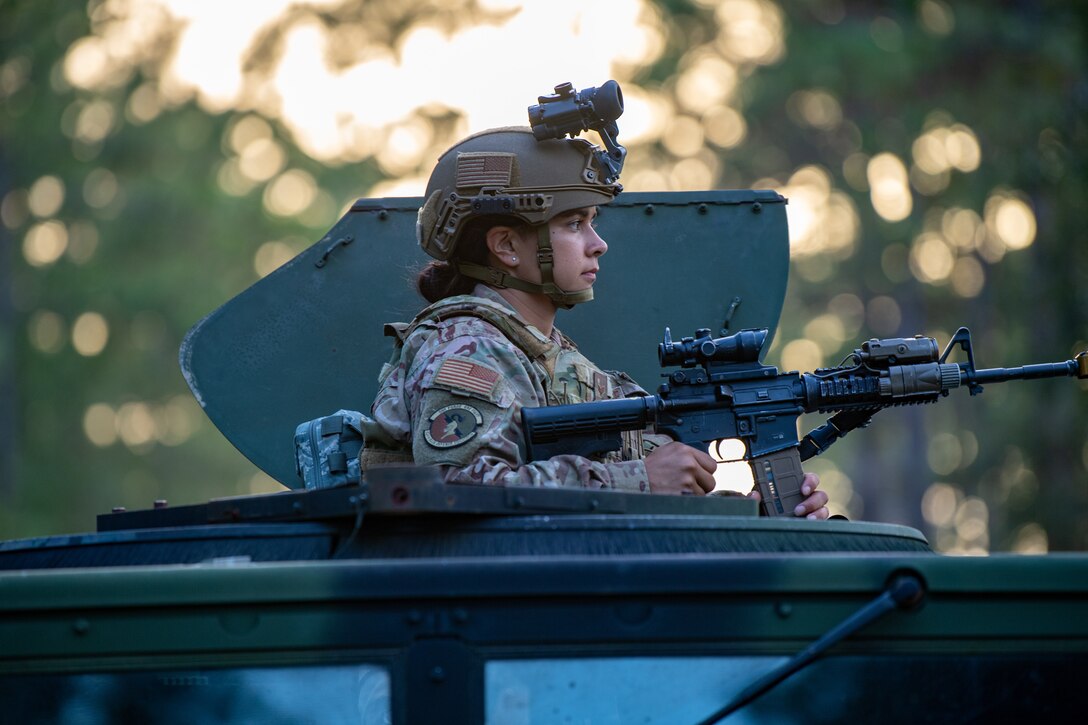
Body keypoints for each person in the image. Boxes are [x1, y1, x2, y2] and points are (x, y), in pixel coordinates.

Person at [365, 125, 829, 518]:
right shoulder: (467, 349)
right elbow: (458, 491)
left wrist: (750, 511)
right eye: (573, 224)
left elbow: (617, 509)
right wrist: (640, 480)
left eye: (592, 221)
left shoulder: (551, 359)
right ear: (506, 246)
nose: (597, 243)